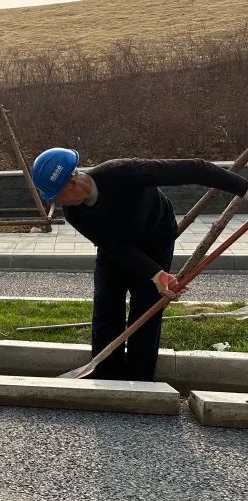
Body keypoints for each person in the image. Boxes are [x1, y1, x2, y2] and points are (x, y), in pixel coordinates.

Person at [31, 150, 248, 381]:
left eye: (56, 196)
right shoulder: (74, 212)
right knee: (106, 306)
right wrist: (154, 273)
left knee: (146, 307)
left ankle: (140, 380)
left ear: (73, 183)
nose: (55, 203)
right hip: (114, 248)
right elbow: (114, 247)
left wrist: (243, 189)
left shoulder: (123, 172)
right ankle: (107, 376)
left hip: (154, 241)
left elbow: (196, 168)